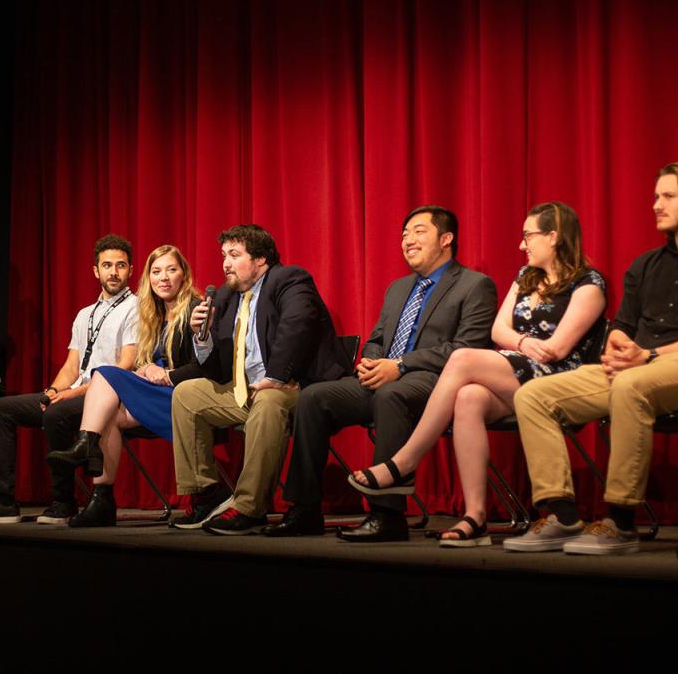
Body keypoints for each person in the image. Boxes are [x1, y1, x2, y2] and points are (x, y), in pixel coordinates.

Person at [505, 161, 678, 555]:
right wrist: (620, 348)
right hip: (636, 366)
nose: (657, 204)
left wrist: (648, 354)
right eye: (656, 196)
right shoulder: (645, 264)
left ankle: (620, 521)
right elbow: (622, 325)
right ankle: (564, 515)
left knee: (630, 384)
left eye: (668, 196)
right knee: (533, 395)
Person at [347, 202, 606, 546]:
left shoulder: (588, 282)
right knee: (468, 398)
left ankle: (406, 461)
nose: (521, 244)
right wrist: (526, 341)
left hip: (563, 381)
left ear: (554, 237)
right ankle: (476, 516)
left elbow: (557, 349)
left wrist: (520, 343)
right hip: (519, 374)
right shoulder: (525, 278)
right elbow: (499, 331)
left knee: (464, 359)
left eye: (528, 236)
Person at [264, 205, 497, 541]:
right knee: (314, 397)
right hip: (382, 376)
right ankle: (305, 510)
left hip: (437, 381)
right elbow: (377, 339)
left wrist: (400, 365)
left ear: (446, 239)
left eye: (419, 231)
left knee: (392, 395)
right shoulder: (398, 288)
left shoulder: (475, 285)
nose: (408, 240)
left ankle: (387, 515)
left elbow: (466, 348)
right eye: (404, 234)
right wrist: (371, 362)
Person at [170, 224, 350, 535]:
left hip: (298, 387)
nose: (225, 263)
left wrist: (276, 377)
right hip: (246, 390)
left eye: (235, 255)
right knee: (187, 394)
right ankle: (207, 494)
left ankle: (250, 507)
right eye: (224, 255)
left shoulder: (289, 280)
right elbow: (217, 370)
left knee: (268, 399)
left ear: (261, 260)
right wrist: (202, 337)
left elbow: (297, 326)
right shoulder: (226, 296)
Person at [0, 235, 138, 524]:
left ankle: (63, 502)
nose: (113, 272)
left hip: (109, 397)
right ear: (95, 270)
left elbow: (124, 368)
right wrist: (53, 390)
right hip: (77, 391)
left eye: (120, 265)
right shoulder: (84, 314)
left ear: (130, 270)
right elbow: (71, 367)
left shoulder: (136, 309)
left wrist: (69, 396)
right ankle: (2, 500)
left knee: (57, 413)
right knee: (0, 409)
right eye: (107, 265)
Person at [45, 245, 204, 527]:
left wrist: (167, 373)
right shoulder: (151, 313)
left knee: (105, 373)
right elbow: (141, 361)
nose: (163, 278)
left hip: (182, 395)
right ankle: (102, 500)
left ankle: (85, 444)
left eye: (171, 270)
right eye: (156, 271)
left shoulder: (195, 309)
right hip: (154, 393)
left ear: (184, 275)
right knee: (108, 418)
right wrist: (147, 368)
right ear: (148, 277)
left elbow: (205, 366)